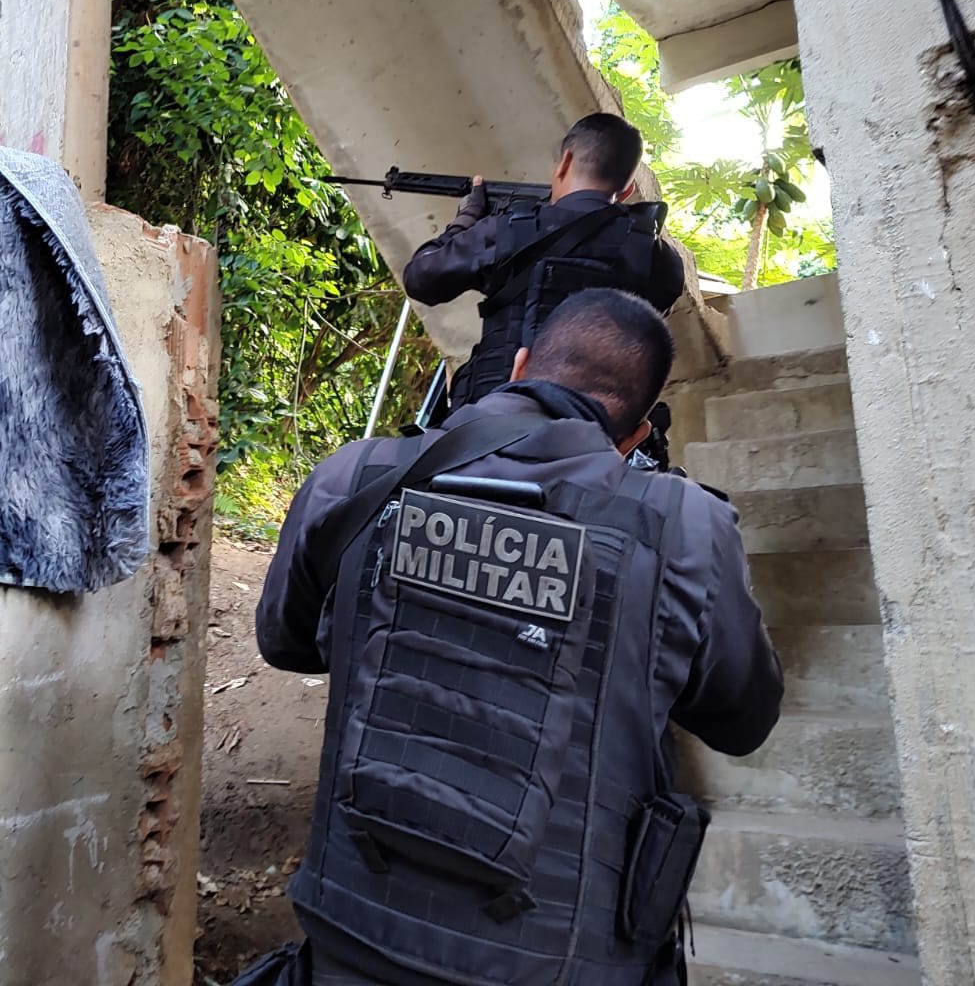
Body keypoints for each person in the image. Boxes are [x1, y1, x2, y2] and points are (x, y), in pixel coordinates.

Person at [238, 289, 782, 986]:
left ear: (519, 366)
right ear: (639, 433)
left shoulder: (360, 474)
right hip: (560, 963)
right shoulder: (682, 527)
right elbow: (744, 719)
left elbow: (285, 642)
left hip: (349, 937)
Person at [402, 113, 685, 414]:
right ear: (626, 191)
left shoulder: (509, 229)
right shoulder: (657, 256)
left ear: (564, 162)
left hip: (493, 416)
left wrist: (466, 218)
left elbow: (421, 279)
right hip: (590, 425)